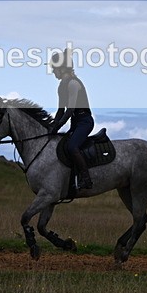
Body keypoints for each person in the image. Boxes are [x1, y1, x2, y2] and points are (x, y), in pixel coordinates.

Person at [49, 49, 94, 189]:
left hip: (85, 122)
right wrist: (52, 126)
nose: (53, 71)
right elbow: (60, 110)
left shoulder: (73, 84)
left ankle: (86, 179)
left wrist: (58, 126)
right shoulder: (61, 86)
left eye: (54, 68)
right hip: (75, 123)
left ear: (62, 68)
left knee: (72, 146)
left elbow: (70, 110)